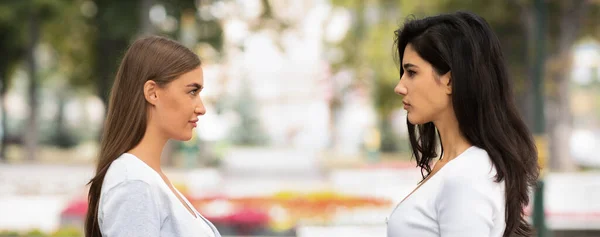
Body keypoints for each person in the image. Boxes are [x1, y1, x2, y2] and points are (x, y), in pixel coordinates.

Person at [387, 11, 539, 237]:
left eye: (411, 72)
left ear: (450, 80)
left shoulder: (468, 174)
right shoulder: (456, 167)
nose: (399, 87)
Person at [84, 36, 221, 237]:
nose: (201, 108)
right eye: (192, 92)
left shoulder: (146, 178)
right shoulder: (134, 184)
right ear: (152, 93)